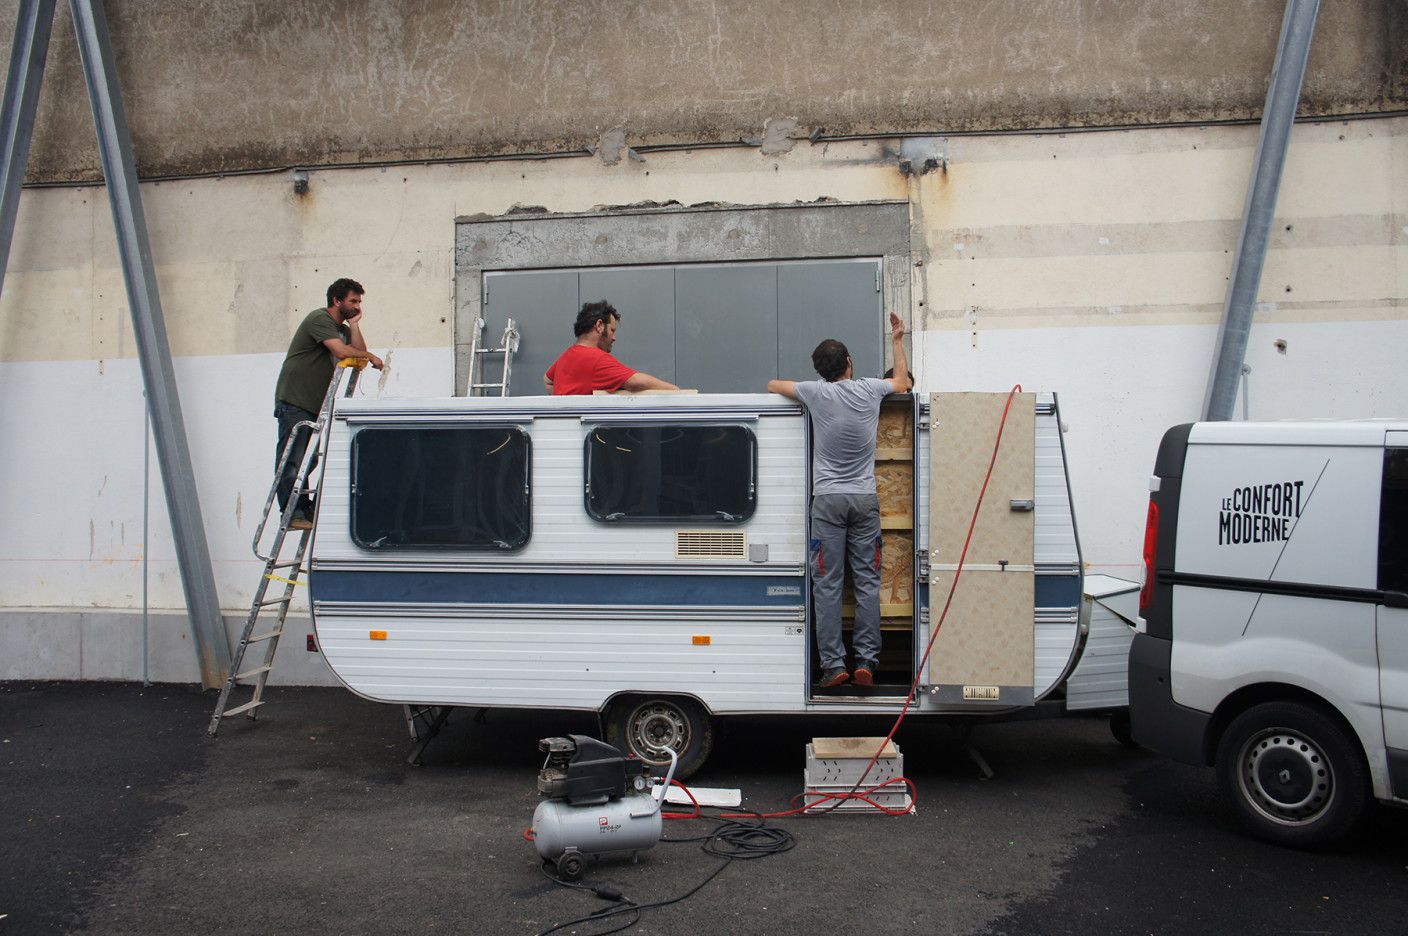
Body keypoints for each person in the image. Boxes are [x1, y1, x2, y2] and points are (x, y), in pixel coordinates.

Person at [768, 312, 912, 689]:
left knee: (828, 585)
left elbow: (772, 384)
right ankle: (866, 662)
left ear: (821, 371)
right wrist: (897, 339)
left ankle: (833, 666)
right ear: (849, 362)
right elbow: (902, 382)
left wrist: (809, 386)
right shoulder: (870, 389)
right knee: (867, 583)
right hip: (864, 499)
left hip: (828, 502)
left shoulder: (815, 392)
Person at [273, 278, 385, 529]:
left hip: (314, 403)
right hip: (295, 399)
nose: (357, 306)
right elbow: (342, 352)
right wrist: (369, 356)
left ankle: (303, 507)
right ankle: (291, 512)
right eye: (353, 301)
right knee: (293, 459)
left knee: (309, 459)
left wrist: (354, 325)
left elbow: (357, 350)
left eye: (359, 302)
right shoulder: (319, 319)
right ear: (337, 300)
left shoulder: (341, 329)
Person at [544, 301, 679, 395]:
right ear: (599, 326)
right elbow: (636, 382)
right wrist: (676, 391)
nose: (614, 338)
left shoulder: (566, 356)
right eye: (612, 330)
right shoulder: (596, 359)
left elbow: (547, 380)